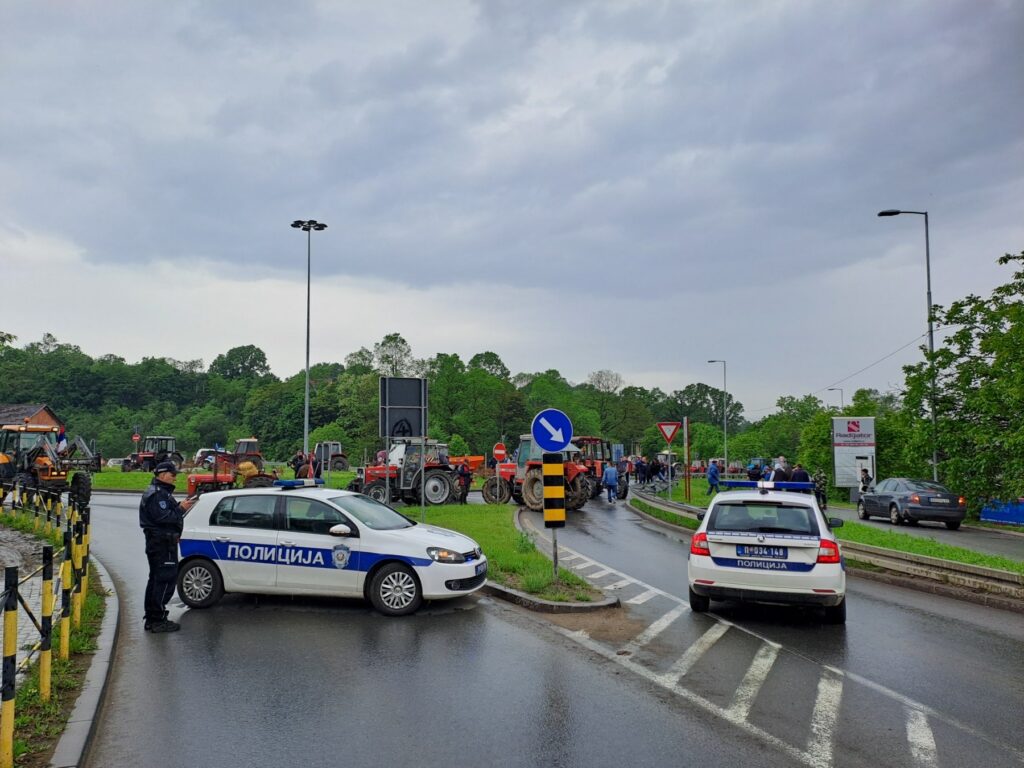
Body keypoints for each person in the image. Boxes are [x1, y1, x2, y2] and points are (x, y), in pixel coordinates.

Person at [139, 461, 195, 633]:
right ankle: (157, 619)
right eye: (172, 474)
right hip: (162, 543)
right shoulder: (157, 495)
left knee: (156, 580)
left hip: (161, 542)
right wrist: (181, 509)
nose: (175, 477)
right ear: (162, 475)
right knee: (164, 580)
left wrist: (178, 508)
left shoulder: (160, 492)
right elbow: (164, 518)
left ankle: (153, 617)